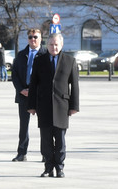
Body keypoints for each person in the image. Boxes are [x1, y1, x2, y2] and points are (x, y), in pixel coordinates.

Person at [27, 33, 79, 178]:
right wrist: (31, 105)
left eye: (56, 44)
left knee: (60, 140)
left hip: (62, 106)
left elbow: (74, 85)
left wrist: (74, 106)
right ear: (47, 45)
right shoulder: (39, 61)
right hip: (44, 106)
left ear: (61, 45)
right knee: (46, 140)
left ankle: (60, 167)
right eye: (51, 44)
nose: (54, 47)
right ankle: (48, 167)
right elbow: (33, 85)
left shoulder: (70, 61)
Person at [10, 29, 45, 161]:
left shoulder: (45, 54)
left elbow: (48, 76)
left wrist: (36, 90)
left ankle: (45, 153)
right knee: (23, 126)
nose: (33, 40)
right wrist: (21, 89)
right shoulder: (21, 55)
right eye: (30, 37)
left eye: (35, 37)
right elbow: (15, 75)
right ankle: (21, 153)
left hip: (40, 96)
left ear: (41, 38)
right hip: (24, 95)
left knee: (44, 125)